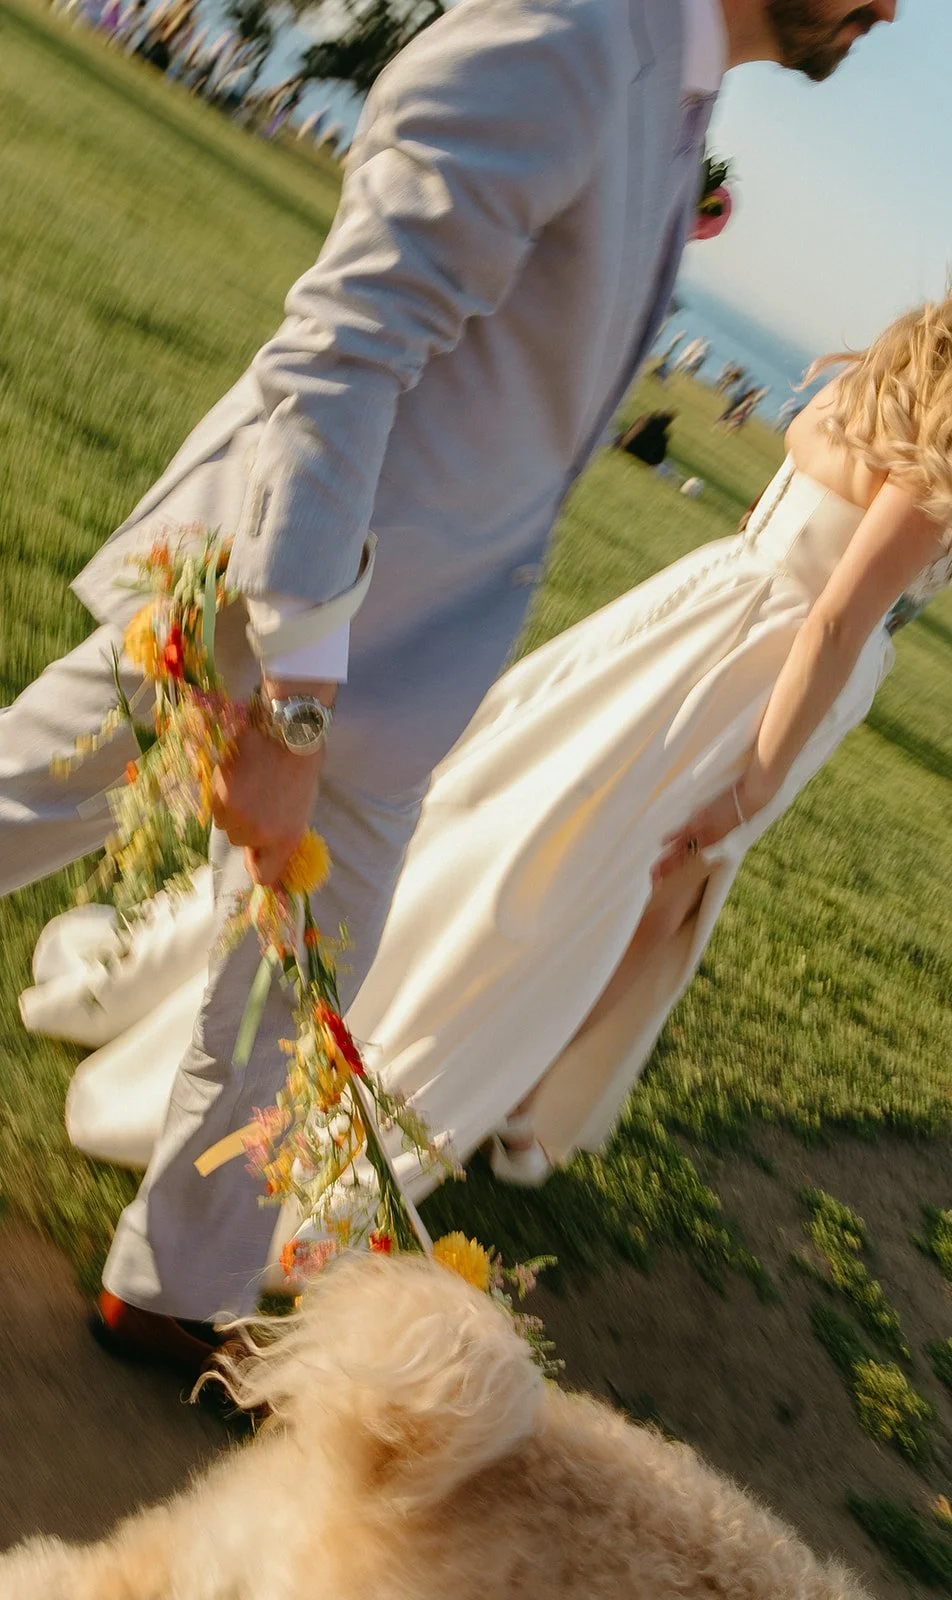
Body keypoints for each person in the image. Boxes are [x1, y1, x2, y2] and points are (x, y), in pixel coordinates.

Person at [1, 0, 897, 1369]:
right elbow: (340, 357)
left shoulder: (669, 87)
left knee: (298, 978)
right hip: (263, 605)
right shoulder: (573, 33)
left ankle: (175, 1285)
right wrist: (295, 696)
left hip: (408, 665)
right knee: (27, 801)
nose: (889, 10)